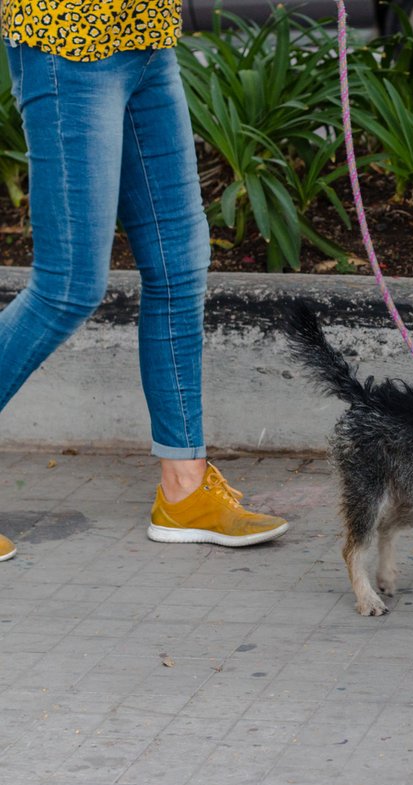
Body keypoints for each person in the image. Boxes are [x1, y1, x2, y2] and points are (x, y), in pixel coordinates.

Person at [0, 0, 288, 562]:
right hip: (68, 42)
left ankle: (184, 488)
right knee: (68, 286)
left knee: (178, 265)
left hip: (146, 40)